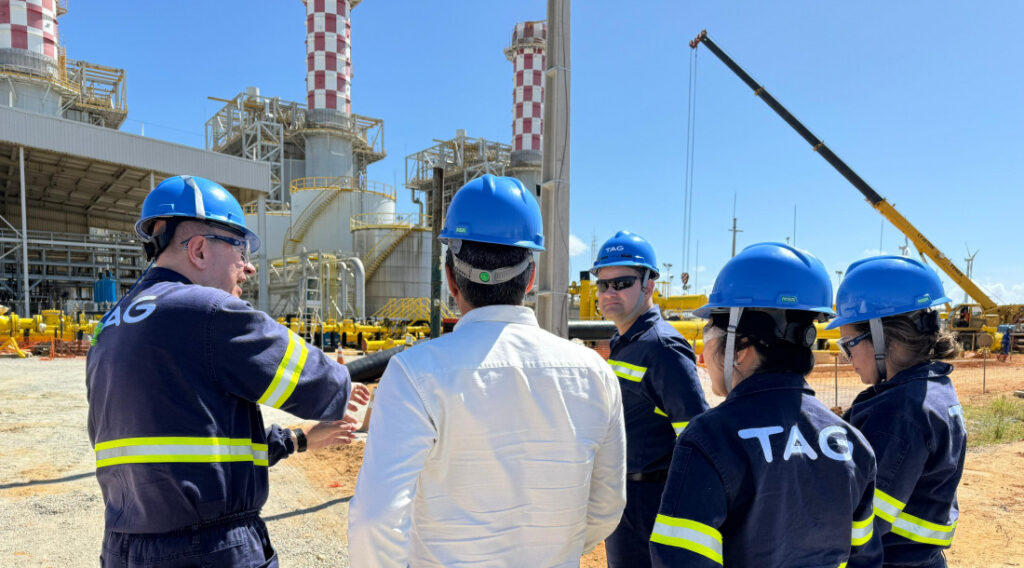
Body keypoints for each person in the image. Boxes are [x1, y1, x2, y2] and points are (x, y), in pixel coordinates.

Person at [86, 175, 370, 567]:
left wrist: (298, 440)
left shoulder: (110, 325)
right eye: (239, 247)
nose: (249, 267)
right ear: (200, 249)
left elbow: (190, 441)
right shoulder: (207, 311)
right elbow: (327, 389)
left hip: (123, 549)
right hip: (206, 550)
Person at [348, 174, 626, 567]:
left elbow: (375, 520)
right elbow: (607, 506)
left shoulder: (414, 374)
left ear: (450, 278)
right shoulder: (595, 375)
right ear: (530, 278)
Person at [650, 242, 882, 567]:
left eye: (710, 331)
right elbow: (864, 559)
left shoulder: (710, 439)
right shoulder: (851, 443)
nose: (704, 350)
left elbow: (677, 559)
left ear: (741, 346)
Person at [831, 256, 967, 567]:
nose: (846, 357)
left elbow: (862, 525)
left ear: (881, 337)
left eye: (848, 344)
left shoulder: (900, 412)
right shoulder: (934, 387)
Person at [590, 230, 709, 567]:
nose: (610, 292)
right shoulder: (624, 340)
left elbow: (695, 434)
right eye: (603, 284)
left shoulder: (662, 347)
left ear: (649, 285)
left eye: (622, 282)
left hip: (651, 502)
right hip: (626, 496)